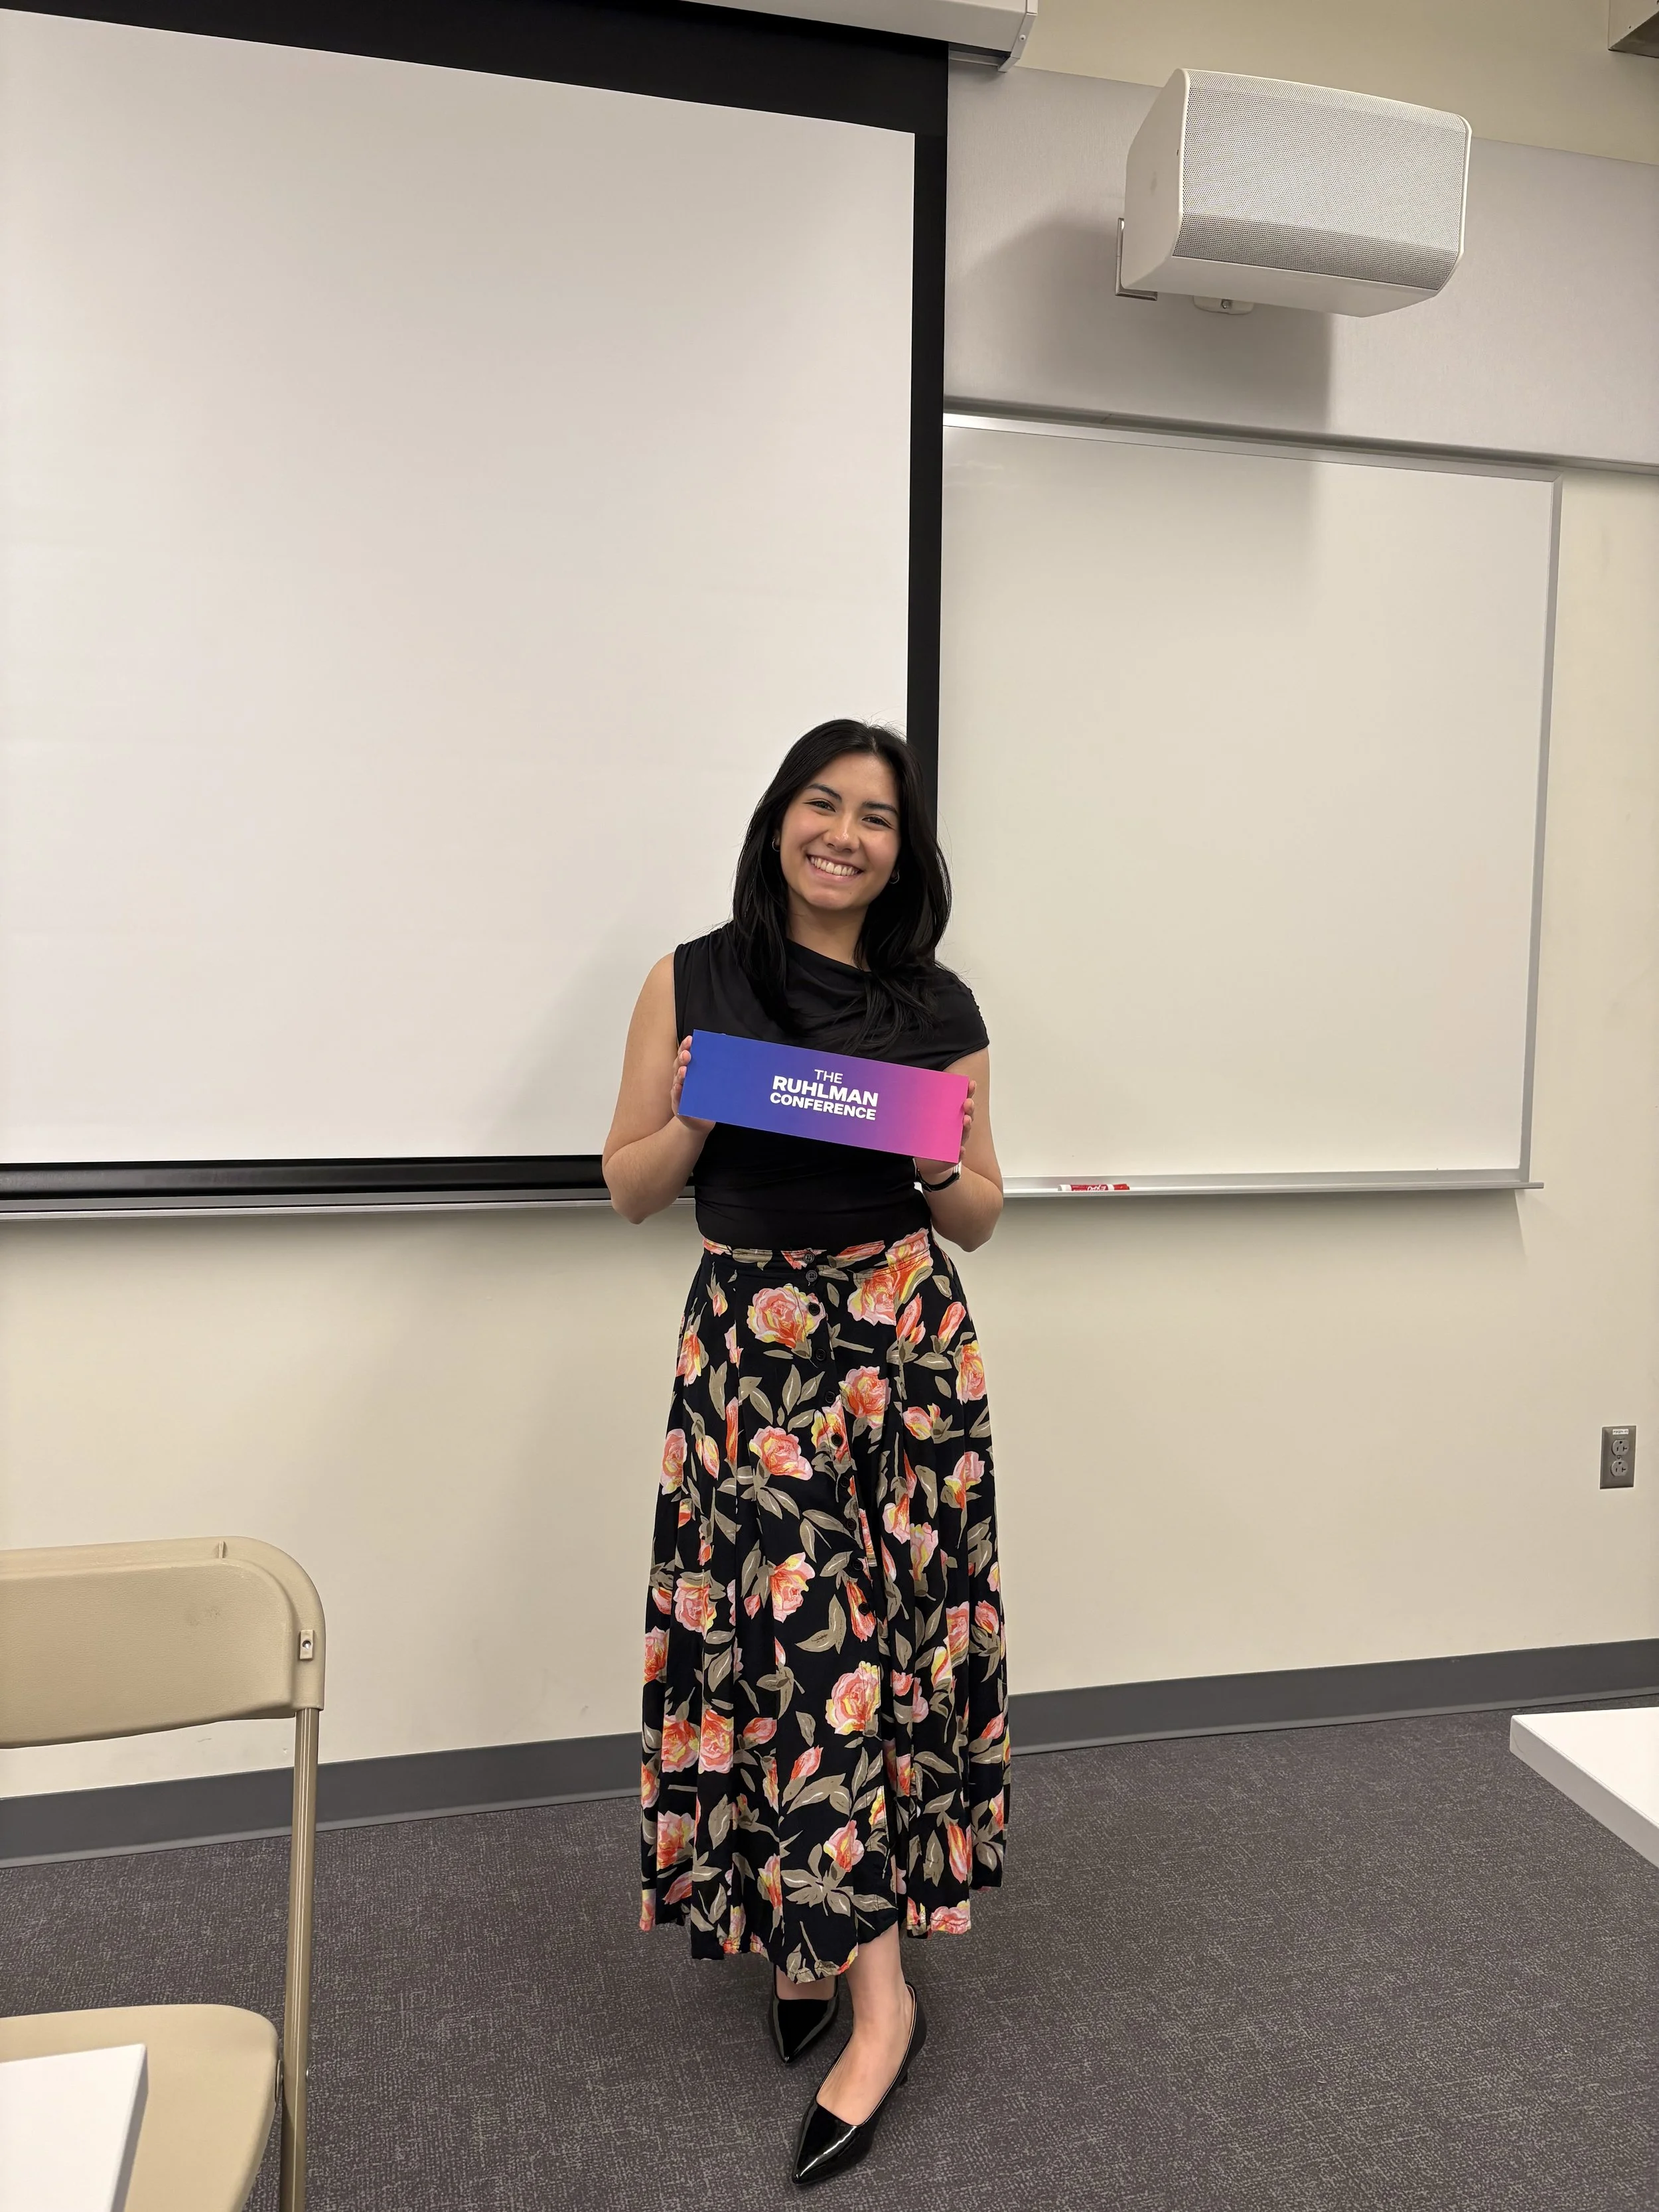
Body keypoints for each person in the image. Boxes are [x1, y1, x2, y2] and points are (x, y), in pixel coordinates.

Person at [603, 719, 1009, 2188]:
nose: (845, 834)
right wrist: (698, 1109)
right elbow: (628, 1186)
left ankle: (857, 1978)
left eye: (877, 818)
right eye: (820, 805)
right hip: (752, 1357)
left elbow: (977, 1209)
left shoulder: (935, 999)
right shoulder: (691, 977)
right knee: (783, 1649)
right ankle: (840, 1958)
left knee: (874, 1650)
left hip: (902, 1353)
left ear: (905, 849)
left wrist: (931, 1159)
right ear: (779, 819)